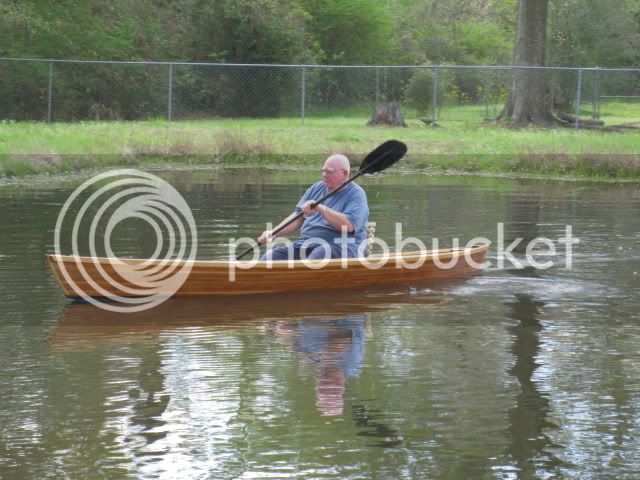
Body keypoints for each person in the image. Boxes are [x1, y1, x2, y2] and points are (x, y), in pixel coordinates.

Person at [259, 153, 369, 261]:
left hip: (342, 248)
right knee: (270, 257)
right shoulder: (316, 188)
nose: (324, 175)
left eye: (329, 172)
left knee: (321, 252)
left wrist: (320, 208)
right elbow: (298, 217)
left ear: (344, 174)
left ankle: (304, 276)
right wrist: (274, 232)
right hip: (305, 245)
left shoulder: (357, 194)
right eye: (324, 171)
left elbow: (348, 226)